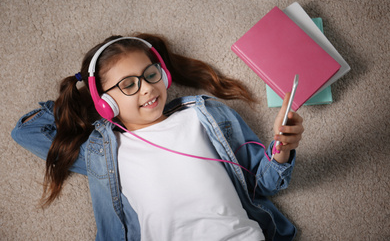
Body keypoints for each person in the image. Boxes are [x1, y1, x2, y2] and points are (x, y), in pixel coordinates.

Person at [11, 33, 304, 241]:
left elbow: (263, 182)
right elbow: (26, 131)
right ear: (105, 102)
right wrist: (82, 104)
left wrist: (282, 150)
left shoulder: (205, 116)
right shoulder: (103, 153)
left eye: (150, 74)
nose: (147, 88)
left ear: (163, 75)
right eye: (128, 85)